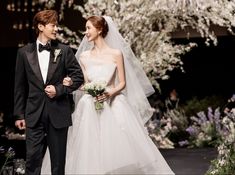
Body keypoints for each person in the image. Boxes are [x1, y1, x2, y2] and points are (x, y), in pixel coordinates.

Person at [42, 15, 175, 174]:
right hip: (89, 106)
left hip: (114, 103)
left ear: (99, 29)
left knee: (118, 147)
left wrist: (110, 92)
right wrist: (72, 84)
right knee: (90, 147)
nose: (86, 32)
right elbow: (84, 85)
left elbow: (122, 83)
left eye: (89, 28)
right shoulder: (84, 57)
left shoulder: (116, 53)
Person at [14, 10, 84, 175]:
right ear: (40, 26)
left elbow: (78, 76)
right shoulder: (23, 53)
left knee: (58, 163)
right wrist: (19, 115)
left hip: (58, 113)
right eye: (53, 25)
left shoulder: (64, 51)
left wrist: (59, 90)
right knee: (32, 160)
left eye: (57, 25)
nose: (56, 29)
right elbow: (19, 86)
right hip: (34, 114)